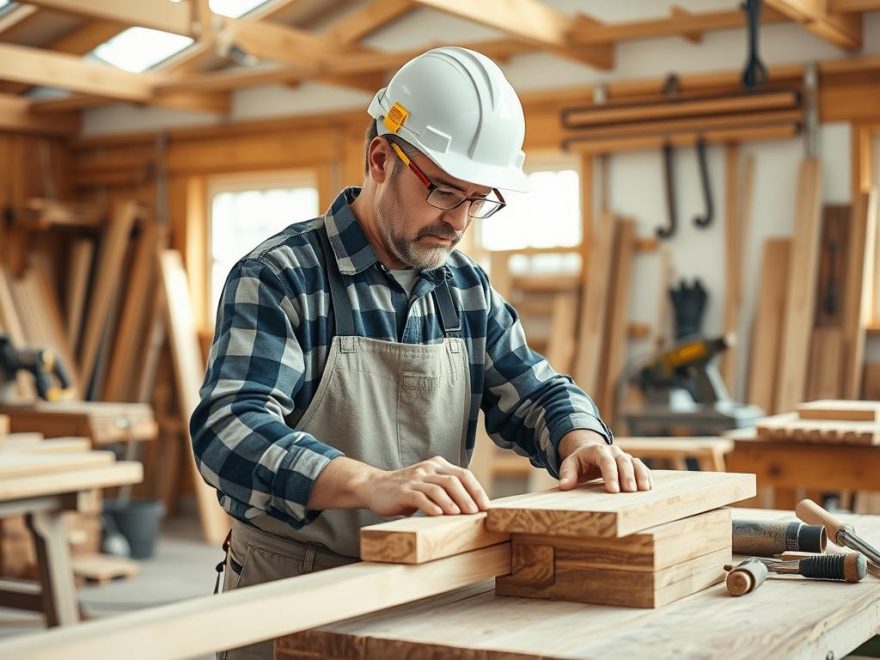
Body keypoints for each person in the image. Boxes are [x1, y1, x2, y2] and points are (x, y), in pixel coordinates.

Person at [191, 46, 652, 660]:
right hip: (290, 594)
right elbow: (229, 431)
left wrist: (583, 441)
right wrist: (367, 483)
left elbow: (535, 390)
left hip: (425, 589)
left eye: (478, 200)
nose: (459, 221)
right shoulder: (281, 275)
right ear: (381, 158)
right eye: (442, 192)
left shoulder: (464, 288)